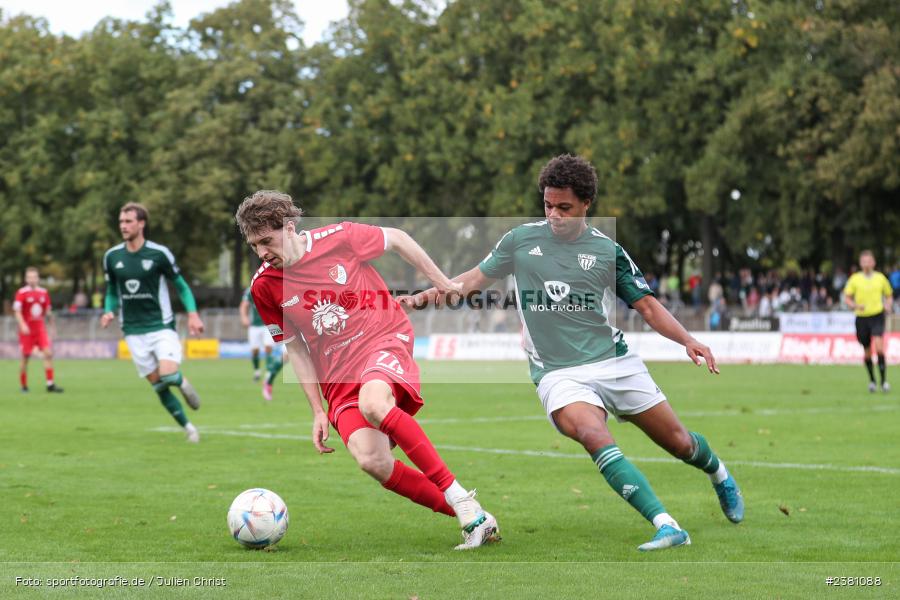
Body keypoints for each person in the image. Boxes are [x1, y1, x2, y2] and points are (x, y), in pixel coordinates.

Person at [404, 154, 743, 552]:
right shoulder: (520, 241)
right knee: (590, 431)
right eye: (548, 205)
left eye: (564, 207)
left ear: (586, 204)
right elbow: (469, 282)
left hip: (613, 362)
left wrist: (688, 339)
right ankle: (667, 524)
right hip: (557, 373)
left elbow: (647, 305)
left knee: (680, 443)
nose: (554, 215)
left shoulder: (607, 251)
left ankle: (718, 473)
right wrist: (422, 298)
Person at [235, 190, 500, 550]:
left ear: (290, 227)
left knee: (374, 403)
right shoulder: (264, 286)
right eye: (254, 246)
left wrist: (441, 282)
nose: (262, 252)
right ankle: (477, 519)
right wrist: (316, 410)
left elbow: (398, 238)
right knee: (372, 460)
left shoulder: (339, 237)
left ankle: (460, 497)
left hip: (382, 338)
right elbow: (295, 348)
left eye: (267, 240)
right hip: (338, 377)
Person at [100, 203, 204, 442]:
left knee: (168, 375)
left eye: (128, 222)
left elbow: (181, 286)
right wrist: (108, 311)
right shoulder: (112, 257)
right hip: (132, 331)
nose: (123, 226)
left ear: (141, 223)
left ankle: (183, 383)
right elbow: (112, 291)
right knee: (158, 386)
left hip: (160, 325)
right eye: (121, 222)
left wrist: (193, 314)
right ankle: (189, 428)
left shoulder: (159, 254)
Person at [843, 250, 893, 393]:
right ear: (860, 263)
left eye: (868, 261)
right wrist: (854, 305)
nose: (866, 264)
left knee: (879, 348)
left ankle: (883, 381)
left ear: (873, 262)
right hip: (862, 318)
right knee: (867, 352)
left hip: (877, 315)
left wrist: (888, 304)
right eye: (863, 261)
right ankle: (872, 380)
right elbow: (847, 297)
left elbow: (889, 295)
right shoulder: (855, 279)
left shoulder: (880, 278)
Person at [13, 267, 64, 393]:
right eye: (29, 277)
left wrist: (52, 327)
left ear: (38, 278)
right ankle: (24, 386)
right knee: (25, 357)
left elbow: (48, 311)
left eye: (34, 277)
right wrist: (22, 324)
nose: (32, 279)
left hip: (40, 329)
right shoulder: (21, 293)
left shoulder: (43, 292)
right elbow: (17, 311)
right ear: (26, 279)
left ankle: (50, 384)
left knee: (48, 354)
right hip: (26, 331)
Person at [240, 286, 276, 396]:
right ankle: (257, 372)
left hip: (269, 324)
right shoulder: (250, 290)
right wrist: (244, 317)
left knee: (268, 347)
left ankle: (269, 374)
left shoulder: (271, 287)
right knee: (255, 351)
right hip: (254, 326)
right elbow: (244, 305)